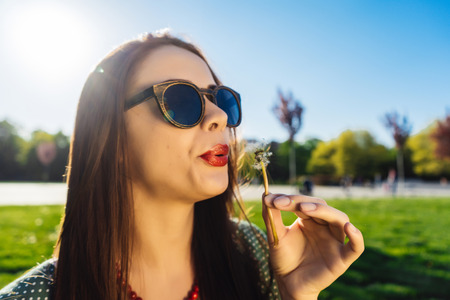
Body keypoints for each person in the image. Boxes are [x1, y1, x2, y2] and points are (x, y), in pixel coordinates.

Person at [0, 31, 364, 300]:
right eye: (181, 100)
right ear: (112, 140)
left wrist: (296, 295)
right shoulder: (32, 296)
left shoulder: (258, 252)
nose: (220, 115)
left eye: (221, 98)